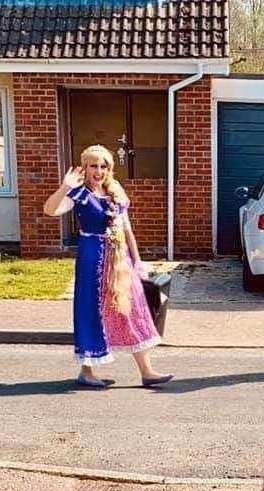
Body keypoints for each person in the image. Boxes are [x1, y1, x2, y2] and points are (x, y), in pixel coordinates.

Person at [43, 144, 173, 388]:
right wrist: (65, 187)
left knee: (133, 309)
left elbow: (127, 230)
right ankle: (87, 371)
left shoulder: (115, 193)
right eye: (94, 165)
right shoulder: (78, 194)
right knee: (92, 310)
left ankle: (147, 371)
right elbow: (50, 210)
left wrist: (138, 262)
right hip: (93, 259)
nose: (99, 171)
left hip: (120, 260)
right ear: (85, 167)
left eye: (104, 166)